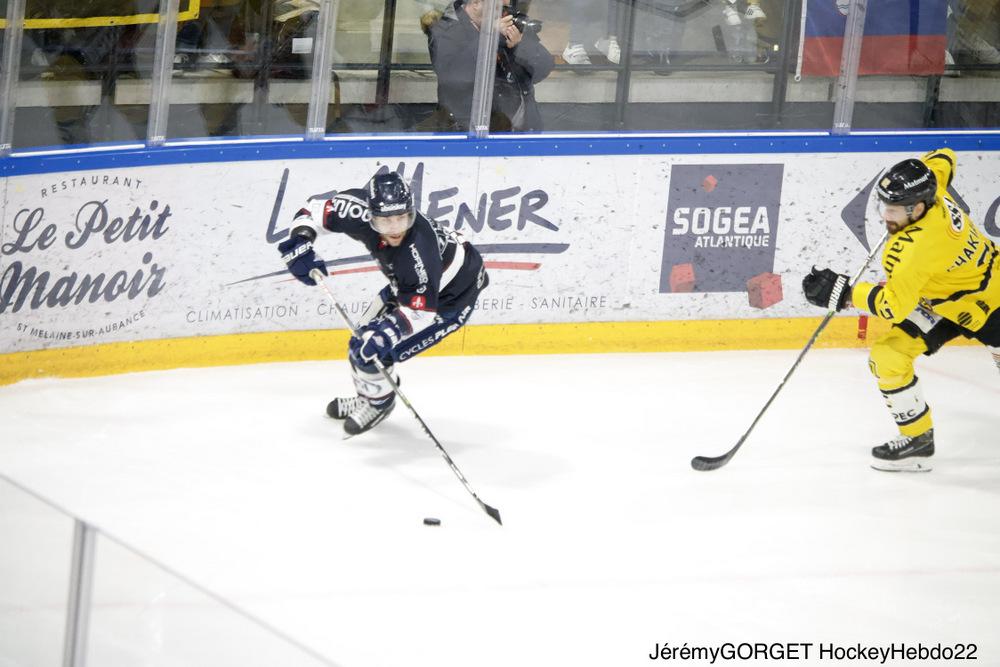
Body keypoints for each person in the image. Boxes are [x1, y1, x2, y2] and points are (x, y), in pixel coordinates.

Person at [802, 148, 1000, 472]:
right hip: (945, 301)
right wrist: (920, 170)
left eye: (893, 209)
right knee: (888, 356)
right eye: (884, 205)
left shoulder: (912, 251)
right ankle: (918, 441)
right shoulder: (933, 184)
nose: (885, 215)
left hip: (993, 307)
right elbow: (945, 156)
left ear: (917, 207)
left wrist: (847, 293)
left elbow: (893, 306)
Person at [277, 171, 489, 436]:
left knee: (375, 351)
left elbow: (421, 312)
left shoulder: (418, 253)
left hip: (450, 301)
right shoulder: (356, 209)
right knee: (360, 342)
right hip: (410, 287)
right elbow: (313, 210)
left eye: (402, 217)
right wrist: (300, 241)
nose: (396, 228)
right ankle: (371, 395)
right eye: (385, 221)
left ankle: (380, 403)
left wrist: (386, 334)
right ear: (370, 215)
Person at [429, 0, 554, 132]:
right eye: (497, 7)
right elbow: (452, 76)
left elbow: (544, 66)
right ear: (476, 3)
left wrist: (520, 45)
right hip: (470, 128)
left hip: (522, 128)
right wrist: (489, 36)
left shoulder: (506, 21)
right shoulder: (445, 29)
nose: (503, 13)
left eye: (506, 7)